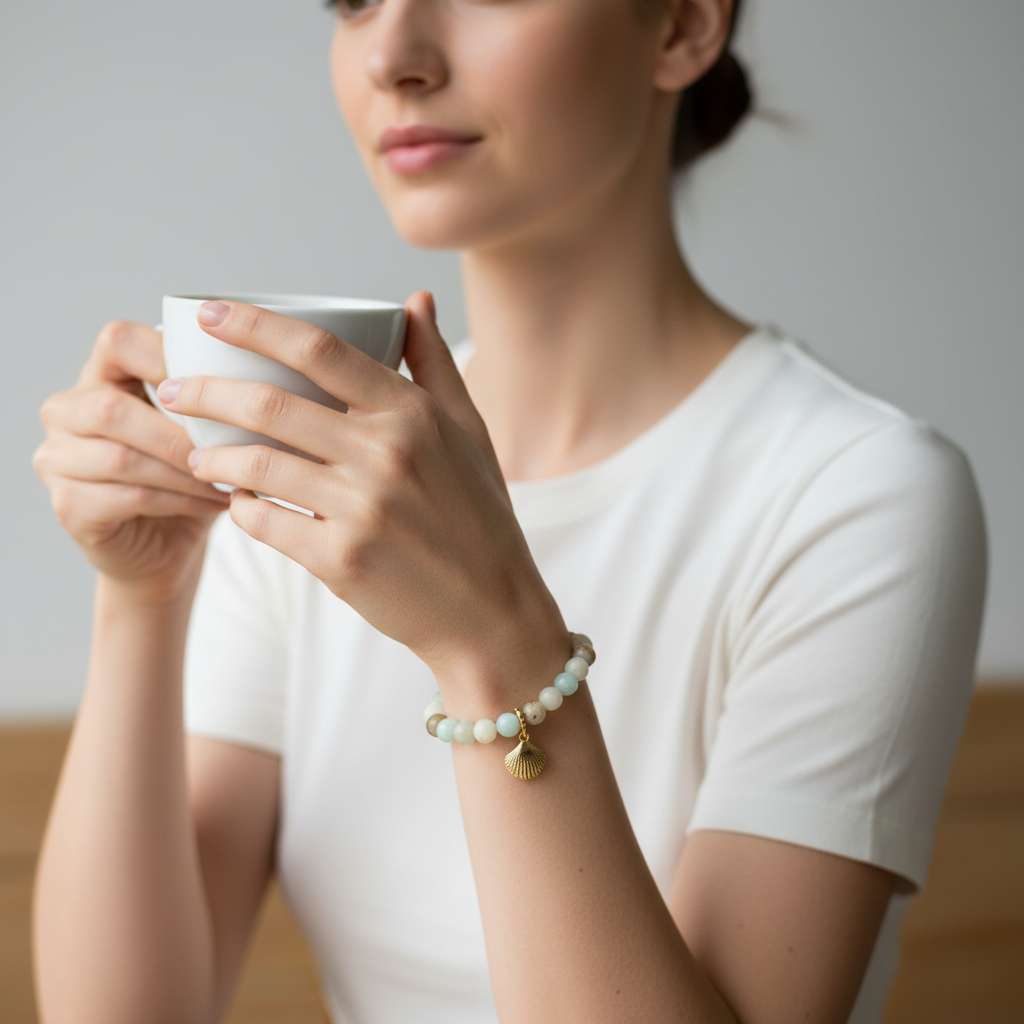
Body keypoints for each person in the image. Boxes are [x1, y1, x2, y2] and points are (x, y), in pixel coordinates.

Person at [31, 1, 987, 1022]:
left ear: (681, 29)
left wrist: (493, 640)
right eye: (355, 1)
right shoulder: (327, 465)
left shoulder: (854, 492)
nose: (393, 56)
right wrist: (143, 596)